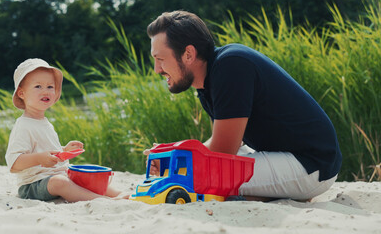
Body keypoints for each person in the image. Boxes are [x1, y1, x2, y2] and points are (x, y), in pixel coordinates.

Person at [144, 11, 342, 201]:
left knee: (205, 176)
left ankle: (263, 195)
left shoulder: (231, 66)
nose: (157, 69)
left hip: (311, 164)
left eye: (160, 59)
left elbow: (223, 150)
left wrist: (173, 163)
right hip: (288, 159)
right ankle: (261, 196)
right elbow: (226, 142)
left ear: (188, 54)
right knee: (199, 172)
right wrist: (172, 156)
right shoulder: (210, 80)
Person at [5, 58, 126, 202]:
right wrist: (40, 158)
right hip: (33, 184)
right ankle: (101, 200)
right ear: (21, 93)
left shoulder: (45, 123)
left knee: (83, 172)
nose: (45, 91)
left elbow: (48, 150)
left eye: (50, 87)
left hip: (57, 175)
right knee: (59, 182)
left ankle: (120, 194)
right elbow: (14, 163)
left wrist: (64, 151)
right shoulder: (23, 125)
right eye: (38, 86)